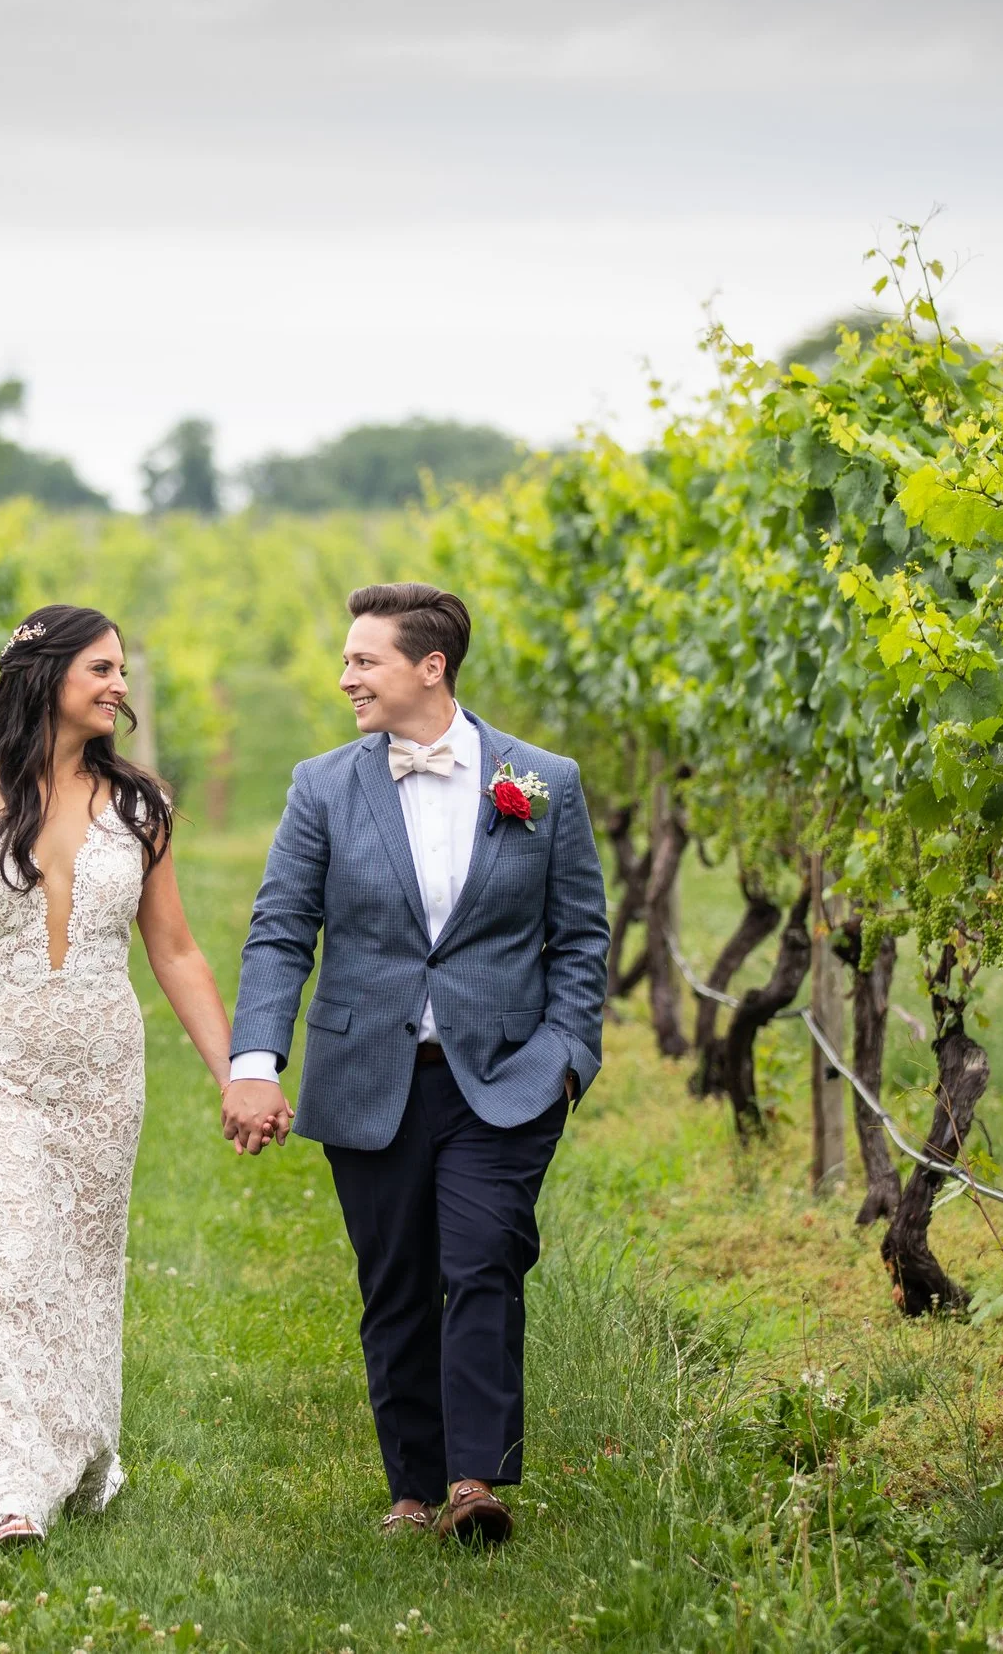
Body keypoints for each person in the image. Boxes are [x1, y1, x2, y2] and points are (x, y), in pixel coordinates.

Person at [222, 582, 610, 1546]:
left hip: (508, 1076)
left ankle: (475, 1483)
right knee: (395, 1281)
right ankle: (412, 1484)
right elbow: (280, 933)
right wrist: (256, 1060)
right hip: (367, 1077)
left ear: (429, 667)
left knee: (484, 1262)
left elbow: (581, 936)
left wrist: (566, 1057)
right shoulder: (322, 785)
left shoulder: (542, 779)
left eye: (365, 659)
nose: (346, 674)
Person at [0, 604, 236, 1554]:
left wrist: (236, 1071)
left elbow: (178, 950)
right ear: (48, 677)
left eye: (122, 670)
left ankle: (67, 1450)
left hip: (102, 1068)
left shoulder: (140, 805)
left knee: (81, 1267)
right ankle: (1, 1489)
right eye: (104, 669)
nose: (120, 686)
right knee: (6, 1264)